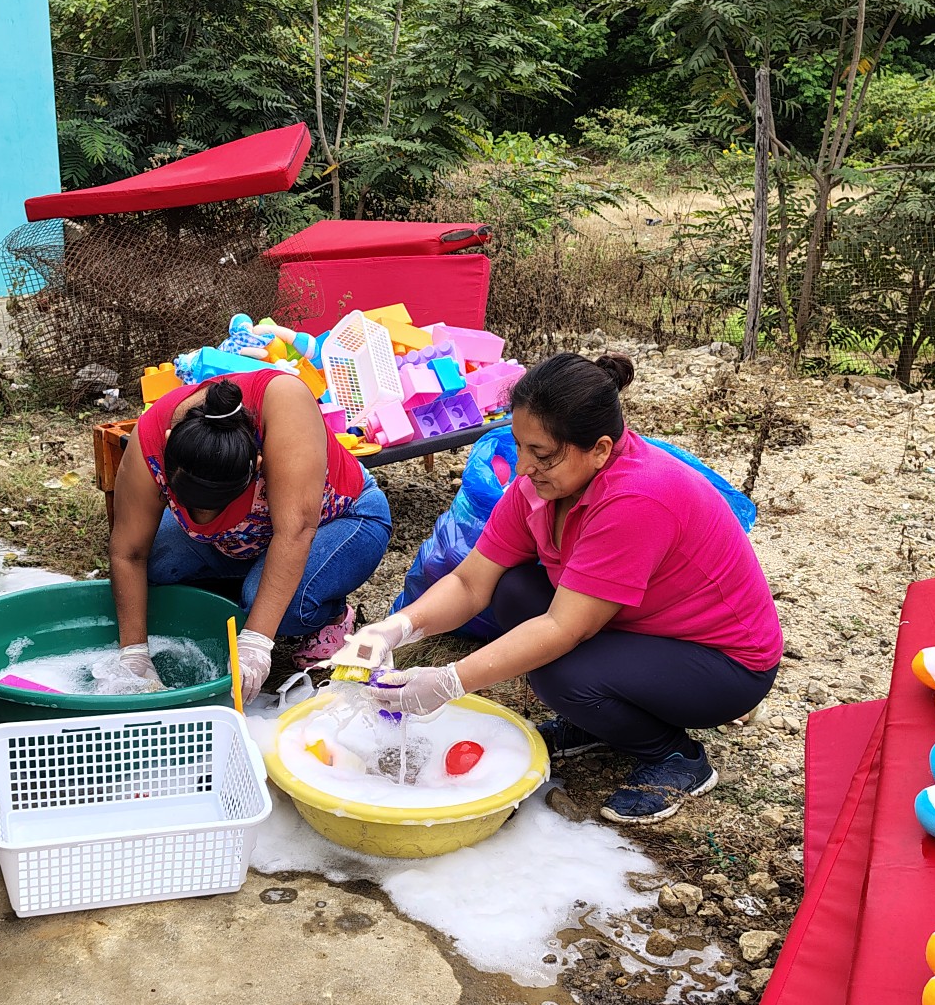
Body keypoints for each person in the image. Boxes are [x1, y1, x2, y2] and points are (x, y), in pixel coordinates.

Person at [334, 353, 782, 824]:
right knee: (514, 592)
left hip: (723, 665)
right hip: (643, 628)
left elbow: (564, 628)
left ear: (600, 450)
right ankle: (599, 722)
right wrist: (394, 628)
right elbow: (469, 582)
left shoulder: (636, 498)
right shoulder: (542, 486)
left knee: (560, 674)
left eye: (542, 454)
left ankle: (675, 757)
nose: (523, 467)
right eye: (519, 446)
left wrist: (451, 681)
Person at [111, 369, 392, 704]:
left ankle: (331, 615)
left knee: (282, 609)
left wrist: (256, 641)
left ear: (258, 465)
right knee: (159, 564)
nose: (203, 521)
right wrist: (134, 653)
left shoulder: (285, 404)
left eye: (218, 507)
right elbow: (128, 552)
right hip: (247, 538)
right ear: (169, 444)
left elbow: (295, 532)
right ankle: (250, 591)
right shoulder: (151, 437)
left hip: (342, 519)